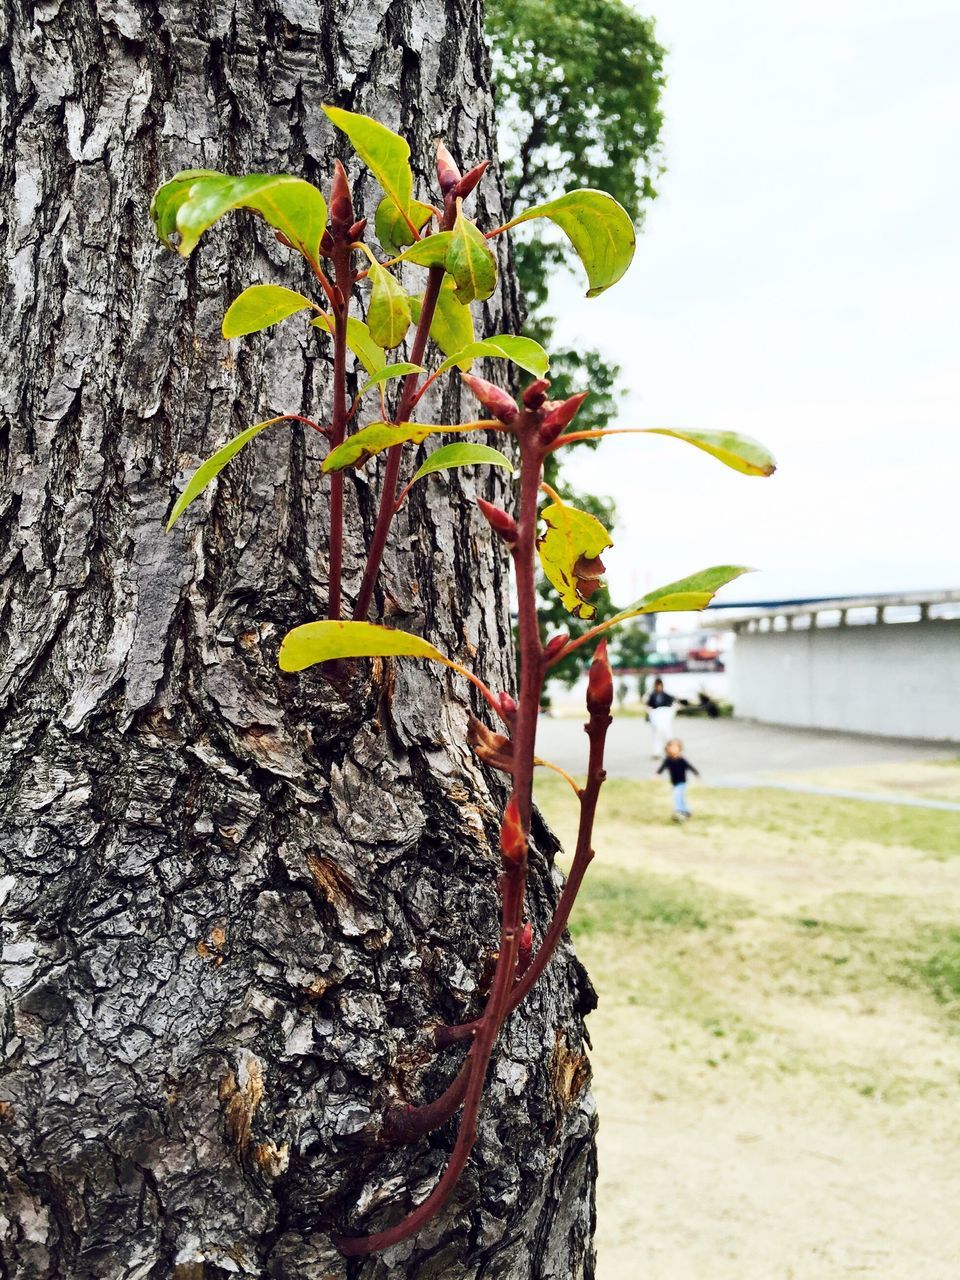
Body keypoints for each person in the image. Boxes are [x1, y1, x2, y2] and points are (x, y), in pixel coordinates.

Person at [657, 738, 699, 822]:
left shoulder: (682, 760)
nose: (673, 749)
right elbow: (662, 767)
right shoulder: (668, 760)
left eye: (676, 748)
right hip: (674, 782)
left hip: (682, 782)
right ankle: (687, 811)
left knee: (677, 795)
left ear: (680, 749)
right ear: (668, 749)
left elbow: (690, 767)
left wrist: (696, 773)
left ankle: (679, 811)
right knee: (681, 797)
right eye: (672, 747)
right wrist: (658, 774)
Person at [644, 677, 678, 757]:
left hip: (665, 719)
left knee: (668, 735)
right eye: (657, 685)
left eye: (659, 685)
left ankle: (671, 751)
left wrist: (674, 708)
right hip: (656, 720)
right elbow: (648, 706)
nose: (658, 687)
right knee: (656, 736)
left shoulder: (667, 695)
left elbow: (673, 703)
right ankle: (656, 752)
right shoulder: (652, 696)